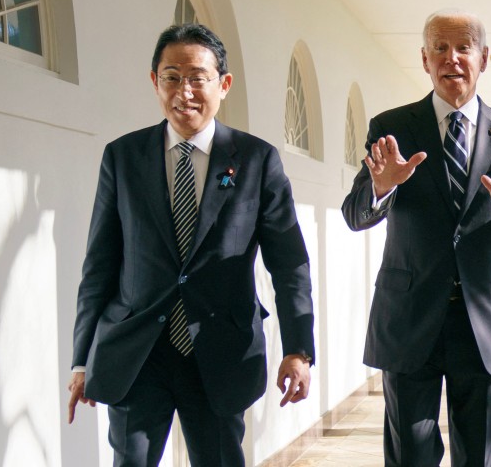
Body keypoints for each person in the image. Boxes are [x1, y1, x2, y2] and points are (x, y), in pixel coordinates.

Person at [68, 23, 315, 467]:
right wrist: (81, 360)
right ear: (154, 82)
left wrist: (298, 349)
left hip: (221, 351)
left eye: (198, 77)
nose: (185, 90)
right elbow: (100, 265)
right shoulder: (123, 157)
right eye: (172, 77)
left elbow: (290, 262)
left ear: (223, 84)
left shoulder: (257, 161)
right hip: (138, 353)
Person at [342, 9, 491, 467]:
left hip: (484, 323)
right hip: (408, 319)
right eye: (440, 49)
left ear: (483, 58)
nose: (453, 58)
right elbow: (355, 212)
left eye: (464, 48)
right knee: (410, 457)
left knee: (480, 459)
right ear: (424, 60)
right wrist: (383, 185)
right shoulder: (392, 128)